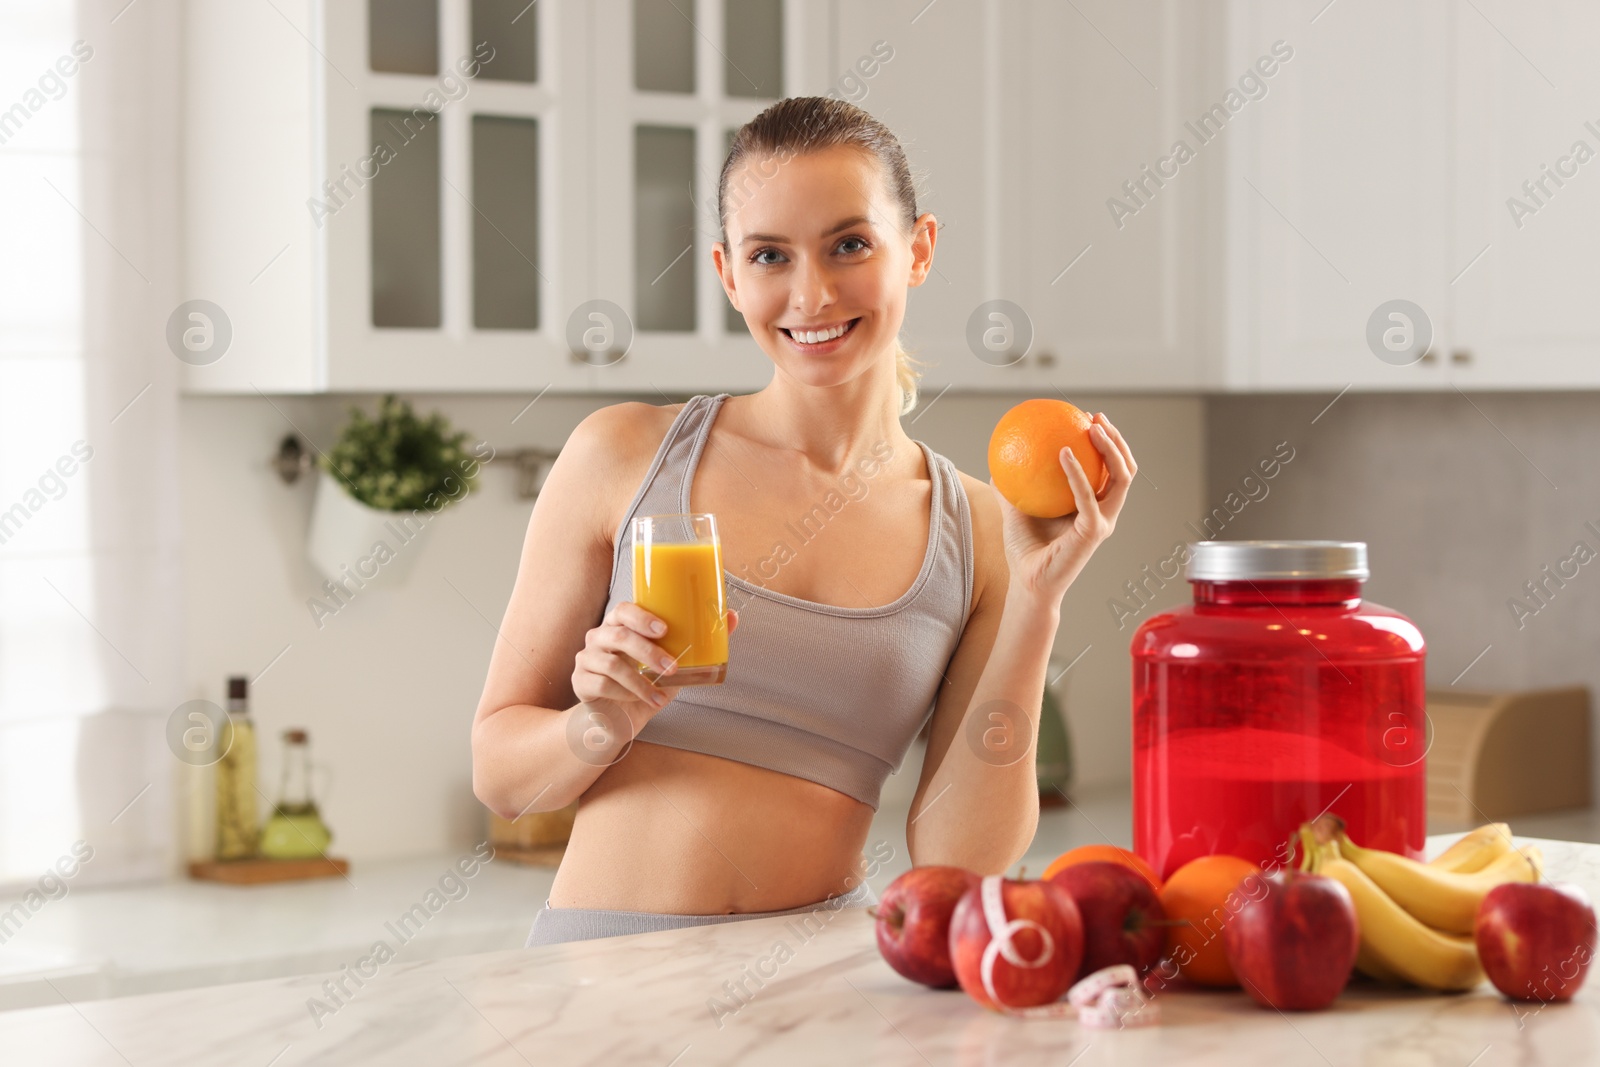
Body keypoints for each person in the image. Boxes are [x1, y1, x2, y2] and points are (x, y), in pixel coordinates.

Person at [471, 96, 1137, 948]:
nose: (811, 293)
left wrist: (1039, 603)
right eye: (770, 255)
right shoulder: (625, 455)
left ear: (920, 249)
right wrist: (600, 721)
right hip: (606, 976)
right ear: (727, 273)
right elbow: (501, 776)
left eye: (850, 244)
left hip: (818, 991)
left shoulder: (978, 527)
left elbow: (959, 863)